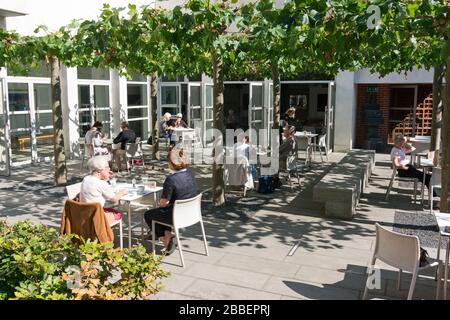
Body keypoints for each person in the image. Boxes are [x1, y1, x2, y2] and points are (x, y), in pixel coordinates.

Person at [144, 148, 197, 255]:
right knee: (161, 212)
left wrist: (159, 204)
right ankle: (167, 235)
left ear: (171, 163)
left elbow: (164, 203)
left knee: (149, 214)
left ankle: (166, 240)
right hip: (191, 214)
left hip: (176, 216)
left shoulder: (171, 179)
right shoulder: (191, 173)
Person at [391, 134, 438, 208]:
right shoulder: (395, 151)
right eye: (399, 141)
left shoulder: (400, 149)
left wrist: (405, 143)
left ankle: (434, 196)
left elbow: (412, 149)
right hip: (403, 171)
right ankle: (434, 197)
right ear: (395, 141)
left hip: (408, 169)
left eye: (401, 141)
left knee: (426, 177)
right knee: (427, 177)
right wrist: (405, 168)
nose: (400, 143)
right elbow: (396, 164)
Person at [79, 156, 128, 224]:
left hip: (84, 214)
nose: (109, 168)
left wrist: (106, 177)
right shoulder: (101, 183)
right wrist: (122, 192)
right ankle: (106, 232)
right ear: (99, 170)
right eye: (107, 167)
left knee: (110, 210)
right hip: (96, 216)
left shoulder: (86, 178)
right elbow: (114, 199)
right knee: (118, 215)